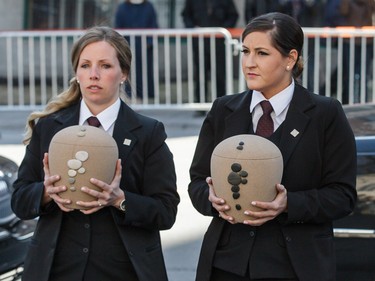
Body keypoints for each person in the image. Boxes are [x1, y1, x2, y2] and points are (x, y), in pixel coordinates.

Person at [189, 12, 357, 281]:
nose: (249, 63)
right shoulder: (224, 109)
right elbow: (197, 181)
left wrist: (289, 203)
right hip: (226, 264)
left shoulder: (325, 114)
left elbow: (343, 196)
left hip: (294, 266)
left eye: (262, 53)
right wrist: (210, 200)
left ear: (290, 59)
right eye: (245, 51)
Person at [11, 26, 180, 281]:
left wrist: (120, 199)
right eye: (85, 65)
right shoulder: (48, 128)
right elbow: (20, 200)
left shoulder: (148, 133)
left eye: (105, 66)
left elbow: (166, 211)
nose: (93, 75)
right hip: (56, 268)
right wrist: (46, 193)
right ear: (76, 73)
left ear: (123, 73)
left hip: (122, 269)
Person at [181, 0, 238, 104]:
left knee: (220, 74)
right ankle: (200, 103)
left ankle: (221, 104)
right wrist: (193, 28)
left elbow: (233, 16)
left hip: (219, 43)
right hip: (200, 42)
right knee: (200, 74)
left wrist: (222, 30)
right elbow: (186, 15)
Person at [324, 0, 375, 103]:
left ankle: (361, 101)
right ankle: (349, 100)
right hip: (350, 40)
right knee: (348, 74)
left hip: (366, 41)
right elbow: (343, 11)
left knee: (362, 75)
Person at [115, 0, 158, 100]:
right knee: (129, 69)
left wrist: (149, 42)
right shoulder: (122, 7)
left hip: (145, 46)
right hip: (127, 45)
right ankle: (131, 94)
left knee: (146, 69)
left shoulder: (149, 6)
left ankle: (146, 94)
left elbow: (153, 25)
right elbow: (118, 27)